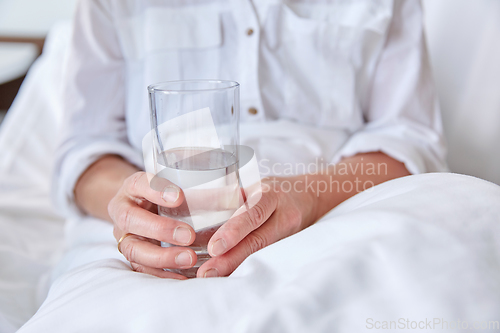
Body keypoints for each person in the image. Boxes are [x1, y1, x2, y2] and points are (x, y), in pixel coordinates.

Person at [54, 0, 447, 279]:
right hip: (164, 237)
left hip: (336, 210)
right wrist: (134, 207)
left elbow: (409, 140)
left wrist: (306, 197)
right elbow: (85, 151)